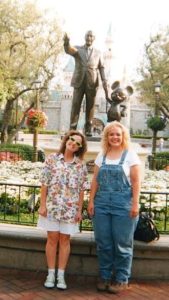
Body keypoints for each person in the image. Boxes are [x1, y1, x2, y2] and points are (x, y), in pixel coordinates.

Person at [87, 121, 141, 294]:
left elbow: (135, 181)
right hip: (102, 203)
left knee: (123, 244)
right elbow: (95, 179)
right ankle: (104, 276)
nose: (115, 137)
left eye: (118, 134)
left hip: (123, 204)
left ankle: (121, 279)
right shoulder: (102, 155)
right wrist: (91, 201)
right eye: (111, 134)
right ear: (107, 137)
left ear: (123, 136)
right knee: (103, 243)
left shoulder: (130, 155)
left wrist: (135, 203)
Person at [37, 130, 88, 290]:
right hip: (51, 207)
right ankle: (50, 274)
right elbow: (44, 184)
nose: (73, 143)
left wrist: (79, 210)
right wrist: (43, 205)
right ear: (67, 139)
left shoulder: (80, 165)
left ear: (79, 148)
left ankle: (61, 275)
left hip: (70, 210)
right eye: (72, 139)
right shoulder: (52, 159)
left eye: (77, 143)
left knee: (65, 241)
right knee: (52, 240)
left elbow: (81, 190)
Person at [63, 30, 108, 136]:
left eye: (91, 36)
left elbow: (101, 67)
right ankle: (72, 129)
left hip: (92, 82)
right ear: (85, 37)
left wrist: (104, 80)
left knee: (90, 106)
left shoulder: (98, 53)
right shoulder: (78, 49)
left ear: (94, 39)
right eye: (87, 36)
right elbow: (69, 50)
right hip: (79, 81)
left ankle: (88, 129)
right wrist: (66, 42)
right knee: (75, 105)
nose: (89, 38)